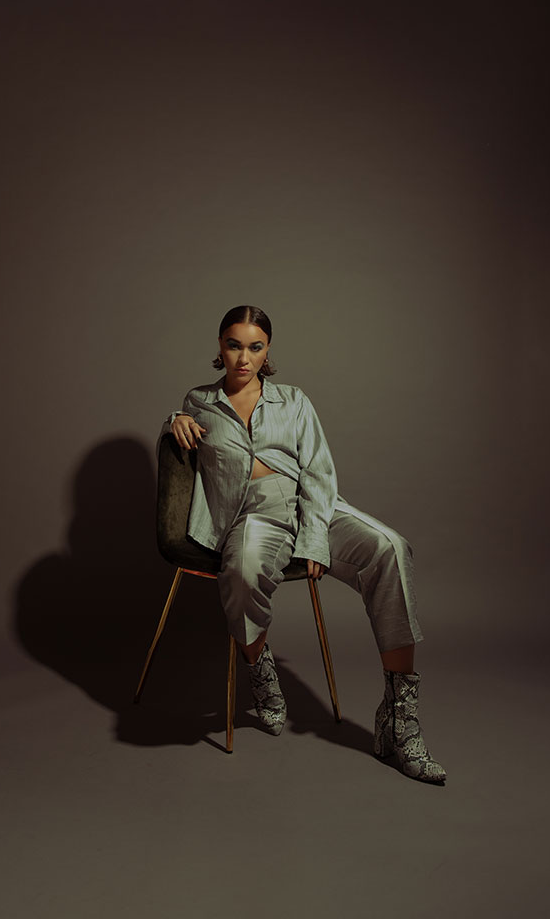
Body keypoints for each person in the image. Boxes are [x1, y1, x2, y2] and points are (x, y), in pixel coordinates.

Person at [159, 305, 446, 783]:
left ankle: (399, 722)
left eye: (255, 347)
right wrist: (173, 420)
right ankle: (259, 667)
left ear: (267, 350)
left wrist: (314, 540)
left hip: (310, 504)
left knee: (391, 547)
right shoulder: (199, 401)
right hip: (253, 515)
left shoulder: (293, 400)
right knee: (243, 572)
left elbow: (318, 472)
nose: (243, 358)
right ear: (220, 347)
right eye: (234, 345)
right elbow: (183, 434)